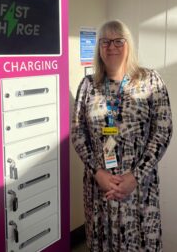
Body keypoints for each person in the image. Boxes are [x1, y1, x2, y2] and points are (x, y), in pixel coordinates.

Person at [71, 20, 173, 251]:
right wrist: (97, 172)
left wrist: (135, 176)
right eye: (105, 42)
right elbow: (78, 132)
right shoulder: (88, 85)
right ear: (99, 48)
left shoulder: (150, 80)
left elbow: (163, 130)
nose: (111, 47)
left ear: (129, 45)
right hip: (99, 186)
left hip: (138, 187)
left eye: (119, 41)